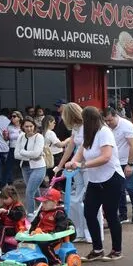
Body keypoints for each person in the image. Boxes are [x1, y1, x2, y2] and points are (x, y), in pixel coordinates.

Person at [65, 106, 124, 261]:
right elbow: (80, 152)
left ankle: (117, 250)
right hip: (95, 180)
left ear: (90, 120)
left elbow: (105, 157)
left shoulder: (104, 133)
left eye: (84, 120)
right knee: (89, 213)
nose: (82, 123)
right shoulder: (88, 134)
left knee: (111, 214)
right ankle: (97, 249)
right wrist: (72, 162)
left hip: (112, 178)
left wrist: (82, 165)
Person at [54, 103, 102, 245]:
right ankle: (79, 230)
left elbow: (83, 148)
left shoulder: (88, 127)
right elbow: (70, 148)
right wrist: (60, 166)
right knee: (74, 199)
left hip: (88, 166)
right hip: (77, 166)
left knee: (90, 200)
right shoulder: (75, 128)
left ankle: (92, 232)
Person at [105, 108, 133, 224]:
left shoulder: (127, 126)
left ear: (116, 116)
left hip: (130, 160)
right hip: (116, 162)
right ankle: (123, 214)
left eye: (110, 120)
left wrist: (129, 164)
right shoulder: (107, 128)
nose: (108, 123)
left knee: (129, 186)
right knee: (118, 188)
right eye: (106, 121)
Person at [28, 188, 71, 266]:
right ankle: (30, 259)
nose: (42, 205)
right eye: (42, 202)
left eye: (45, 202)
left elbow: (62, 226)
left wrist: (53, 233)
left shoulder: (59, 213)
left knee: (45, 245)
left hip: (53, 237)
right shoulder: (42, 212)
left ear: (54, 202)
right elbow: (35, 223)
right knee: (25, 243)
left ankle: (55, 261)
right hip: (40, 235)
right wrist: (31, 231)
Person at [15, 116, 46, 217]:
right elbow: (16, 154)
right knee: (35, 191)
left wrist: (23, 152)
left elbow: (36, 154)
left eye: (31, 126)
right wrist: (31, 155)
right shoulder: (21, 136)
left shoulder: (39, 137)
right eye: (26, 126)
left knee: (29, 191)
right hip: (25, 167)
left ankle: (30, 215)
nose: (29, 129)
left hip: (38, 167)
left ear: (34, 126)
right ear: (22, 127)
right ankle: (43, 211)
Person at [42, 115, 68, 184]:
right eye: (54, 122)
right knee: (59, 174)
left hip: (48, 157)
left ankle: (53, 191)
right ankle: (59, 190)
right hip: (56, 157)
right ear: (49, 122)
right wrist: (68, 140)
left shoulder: (43, 133)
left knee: (52, 175)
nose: (54, 124)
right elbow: (60, 145)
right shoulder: (50, 133)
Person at [5, 111, 23, 187]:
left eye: (14, 116)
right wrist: (5, 136)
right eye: (11, 116)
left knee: (24, 165)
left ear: (19, 118)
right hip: (12, 148)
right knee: (8, 166)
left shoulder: (23, 126)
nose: (12, 118)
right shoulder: (9, 127)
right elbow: (6, 139)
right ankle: (9, 182)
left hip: (22, 149)